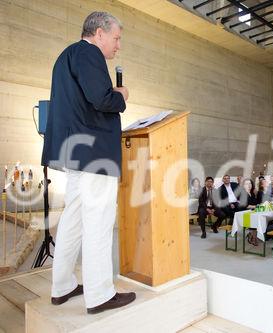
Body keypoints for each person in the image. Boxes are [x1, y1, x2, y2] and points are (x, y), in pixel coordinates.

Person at [41, 12, 135, 314]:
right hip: (94, 152)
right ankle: (100, 294)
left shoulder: (66, 56)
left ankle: (63, 286)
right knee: (99, 221)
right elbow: (101, 99)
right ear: (98, 33)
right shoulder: (89, 54)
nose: (118, 45)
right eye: (117, 37)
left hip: (74, 152)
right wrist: (120, 95)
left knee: (74, 218)